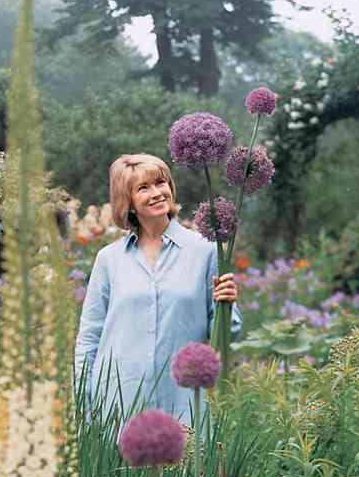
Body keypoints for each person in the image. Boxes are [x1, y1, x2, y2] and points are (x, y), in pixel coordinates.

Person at [74, 152, 240, 426]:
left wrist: (228, 305)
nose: (157, 193)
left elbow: (225, 335)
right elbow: (89, 339)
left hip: (184, 404)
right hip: (118, 409)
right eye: (143, 188)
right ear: (127, 201)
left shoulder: (206, 251)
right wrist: (84, 405)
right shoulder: (108, 259)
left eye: (161, 183)